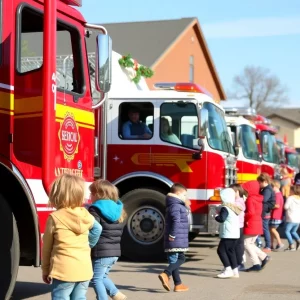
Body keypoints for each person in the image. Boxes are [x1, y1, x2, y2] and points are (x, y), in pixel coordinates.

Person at [41, 174, 101, 300]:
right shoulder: (85, 214)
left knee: (60, 297)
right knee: (79, 297)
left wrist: (45, 269)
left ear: (57, 194)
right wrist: (89, 244)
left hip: (64, 271)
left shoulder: (55, 217)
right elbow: (98, 228)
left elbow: (46, 248)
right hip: (84, 269)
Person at [88, 179, 127, 300]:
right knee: (102, 276)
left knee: (96, 279)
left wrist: (89, 243)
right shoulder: (118, 209)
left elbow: (95, 228)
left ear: (98, 194)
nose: (90, 196)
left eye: (91, 193)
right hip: (114, 252)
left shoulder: (95, 210)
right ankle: (116, 295)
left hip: (101, 251)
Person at [158, 183, 189, 292]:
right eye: (185, 195)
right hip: (175, 238)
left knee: (175, 260)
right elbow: (176, 221)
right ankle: (166, 273)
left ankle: (178, 284)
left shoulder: (175, 205)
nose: (186, 198)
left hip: (177, 238)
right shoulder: (175, 206)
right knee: (180, 259)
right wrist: (173, 235)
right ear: (179, 193)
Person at [242, 180, 270, 272]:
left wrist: (243, 216)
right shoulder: (258, 198)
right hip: (257, 223)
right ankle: (263, 257)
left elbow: (250, 212)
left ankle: (256, 263)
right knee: (250, 243)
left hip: (250, 223)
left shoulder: (250, 199)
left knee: (246, 244)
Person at [215, 188, 240, 279]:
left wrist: (216, 216)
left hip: (228, 234)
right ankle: (235, 271)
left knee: (220, 251)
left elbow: (222, 219)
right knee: (230, 251)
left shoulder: (225, 208)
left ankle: (228, 269)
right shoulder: (233, 206)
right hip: (235, 234)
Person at [257, 173, 276, 253]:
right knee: (264, 228)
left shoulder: (267, 190)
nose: (259, 184)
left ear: (264, 181)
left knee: (265, 229)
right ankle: (265, 244)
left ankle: (268, 246)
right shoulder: (267, 188)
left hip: (265, 212)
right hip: (266, 211)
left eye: (259, 183)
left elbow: (264, 199)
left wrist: (257, 197)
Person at [230, 183, 246, 270]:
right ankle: (238, 263)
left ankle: (239, 263)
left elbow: (238, 210)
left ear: (237, 192)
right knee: (238, 245)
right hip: (238, 225)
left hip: (238, 226)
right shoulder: (238, 200)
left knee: (237, 246)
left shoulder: (239, 201)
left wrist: (229, 205)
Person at [269, 180, 284, 250]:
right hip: (276, 215)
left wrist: (269, 206)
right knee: (271, 230)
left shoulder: (277, 195)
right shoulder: (279, 194)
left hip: (276, 215)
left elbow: (277, 205)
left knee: (273, 230)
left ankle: (279, 243)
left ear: (274, 187)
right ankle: (271, 244)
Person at [284, 185, 300, 251]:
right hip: (298, 218)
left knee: (287, 231)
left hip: (291, 217)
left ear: (293, 191)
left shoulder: (290, 198)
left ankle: (291, 245)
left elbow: (286, 207)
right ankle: (299, 240)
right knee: (293, 231)